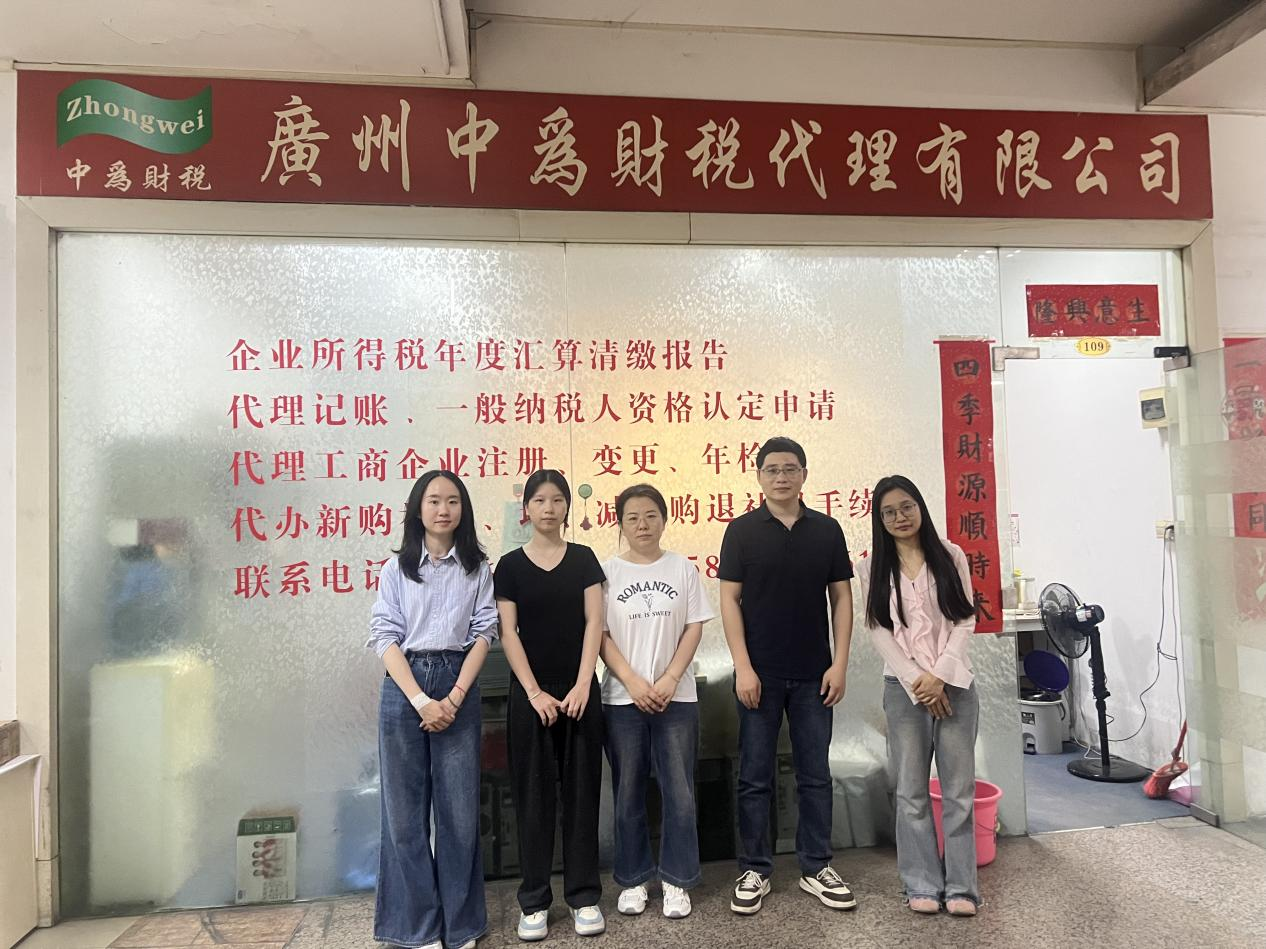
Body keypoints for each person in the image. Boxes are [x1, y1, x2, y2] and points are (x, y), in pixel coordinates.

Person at [718, 436, 857, 915]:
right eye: (772, 469)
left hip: (815, 674)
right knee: (754, 777)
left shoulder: (827, 530)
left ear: (804, 475)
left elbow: (841, 598)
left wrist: (839, 663)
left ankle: (816, 866)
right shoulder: (741, 531)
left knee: (815, 775)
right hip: (759, 675)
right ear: (759, 476)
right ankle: (755, 869)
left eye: (790, 468)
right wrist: (743, 667)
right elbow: (729, 600)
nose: (781, 477)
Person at [367, 471, 497, 949]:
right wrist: (421, 699)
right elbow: (384, 636)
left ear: (464, 510)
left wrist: (455, 696)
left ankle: (460, 925)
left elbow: (485, 632)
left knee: (459, 815)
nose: (444, 510)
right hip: (405, 688)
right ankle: (417, 927)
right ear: (417, 509)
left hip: (458, 680)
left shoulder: (477, 569)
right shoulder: (395, 569)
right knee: (404, 816)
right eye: (434, 500)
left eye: (453, 501)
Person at [856, 474, 980, 918]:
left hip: (955, 686)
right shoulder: (871, 567)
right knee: (910, 791)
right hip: (903, 690)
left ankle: (962, 888)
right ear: (879, 519)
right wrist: (918, 681)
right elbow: (877, 629)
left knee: (958, 791)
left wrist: (940, 676)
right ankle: (921, 884)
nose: (900, 517)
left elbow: (965, 619)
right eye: (889, 512)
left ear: (920, 507)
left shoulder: (950, 555)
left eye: (906, 507)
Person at [494, 470, 607, 941]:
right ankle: (535, 901)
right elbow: (508, 633)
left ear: (566, 508)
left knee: (583, 795)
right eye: (539, 500)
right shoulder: (509, 566)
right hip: (530, 695)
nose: (548, 508)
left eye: (557, 500)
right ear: (527, 509)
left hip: (579, 691)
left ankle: (584, 897)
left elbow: (594, 623)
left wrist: (583, 684)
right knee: (533, 799)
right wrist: (534, 692)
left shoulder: (584, 559)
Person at [600, 483, 715, 920]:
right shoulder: (606, 573)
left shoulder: (682, 568)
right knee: (628, 790)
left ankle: (676, 879)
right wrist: (632, 681)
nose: (642, 524)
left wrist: (668, 679)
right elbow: (600, 635)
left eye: (651, 515)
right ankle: (633, 879)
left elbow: (694, 626)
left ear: (664, 519)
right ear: (620, 524)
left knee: (679, 791)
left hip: (676, 698)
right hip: (622, 700)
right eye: (632, 517)